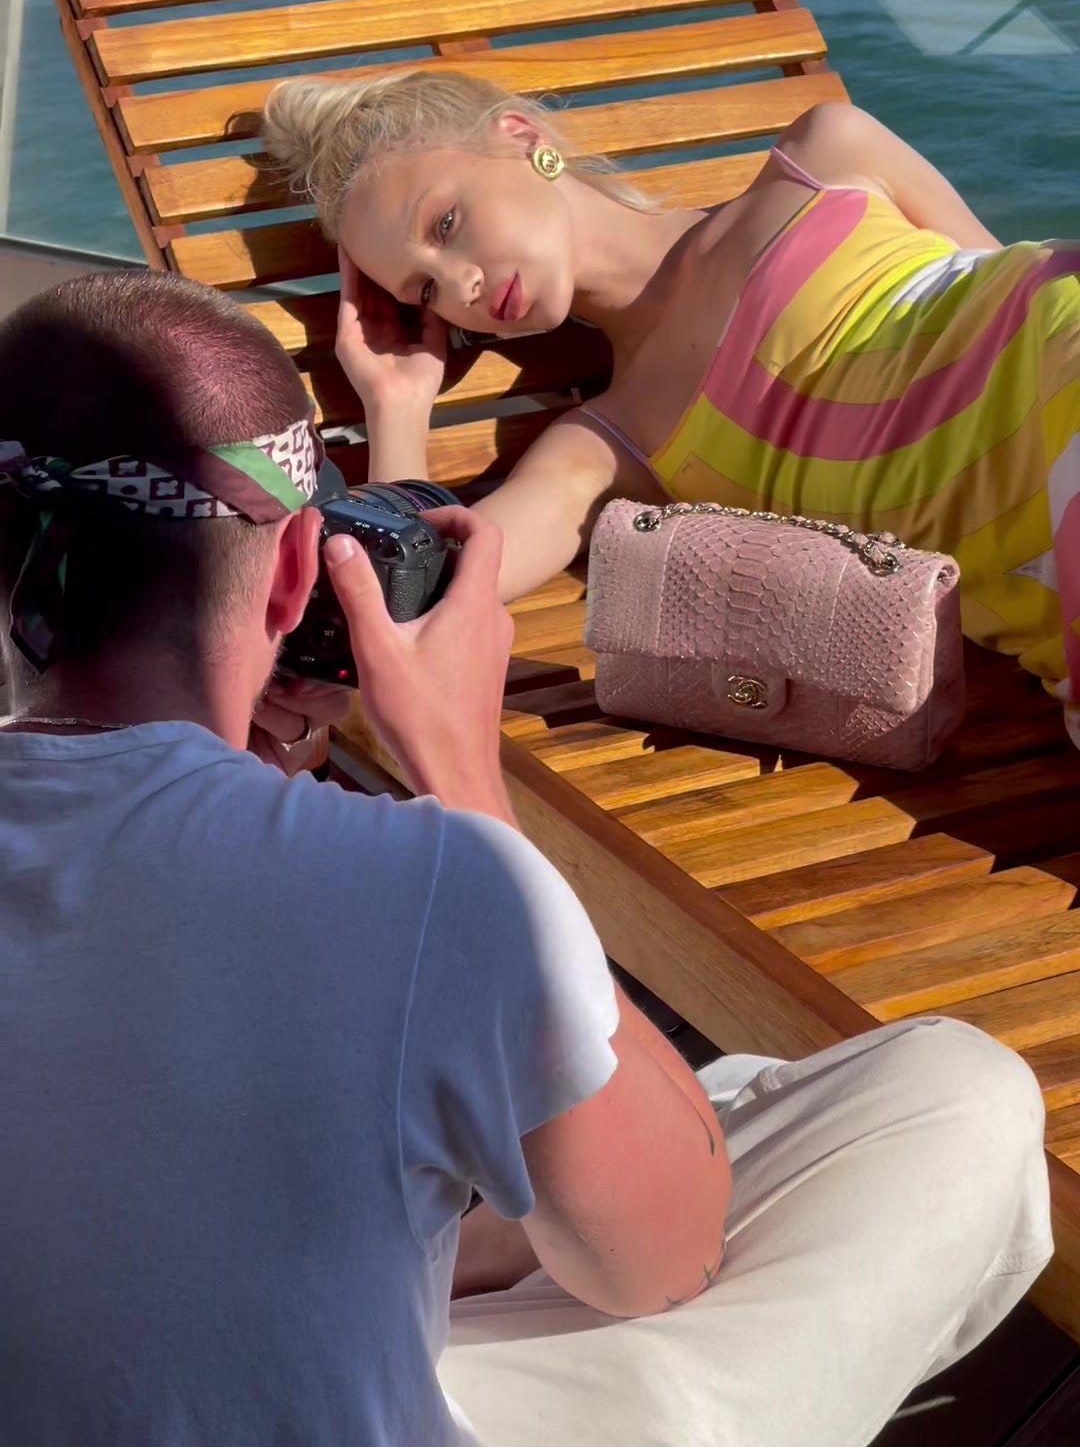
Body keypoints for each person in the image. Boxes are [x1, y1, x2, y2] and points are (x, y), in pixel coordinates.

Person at [0, 271, 1053, 1447]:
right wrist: (464, 779)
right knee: (957, 1095)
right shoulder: (420, 883)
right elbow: (660, 1263)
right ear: (298, 569)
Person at [262, 74, 1080, 746]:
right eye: (425, 291)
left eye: (446, 224)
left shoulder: (827, 154)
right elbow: (410, 596)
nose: (461, 285)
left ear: (520, 136)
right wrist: (398, 403)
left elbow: (1005, 280)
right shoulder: (606, 448)